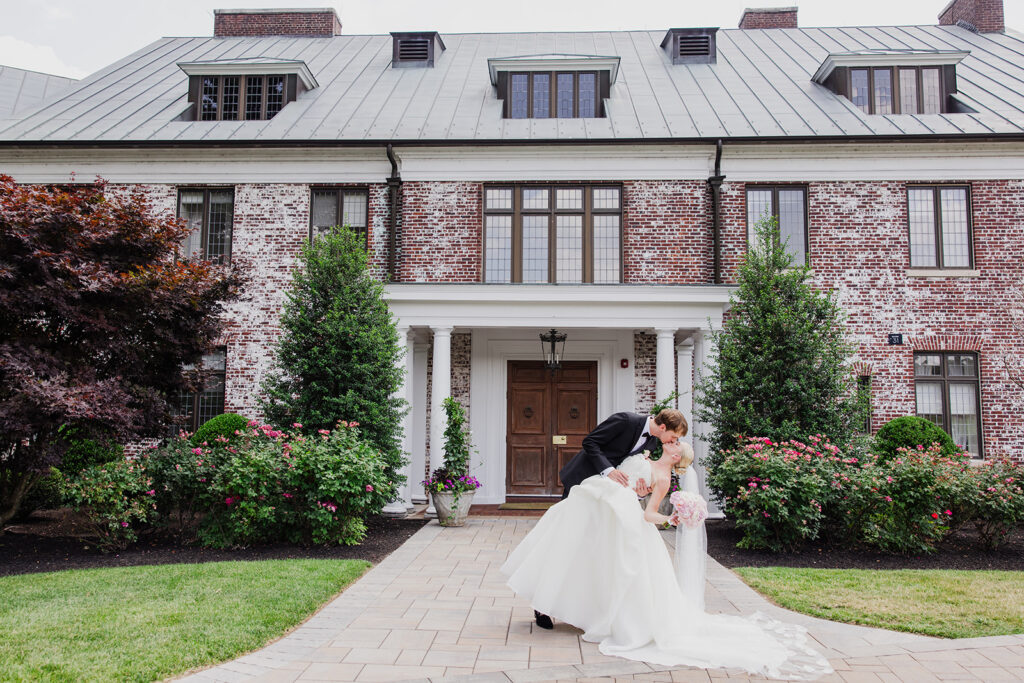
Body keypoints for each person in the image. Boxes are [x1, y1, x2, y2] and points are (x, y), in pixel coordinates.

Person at [501, 416, 833, 680]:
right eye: (672, 438)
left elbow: (645, 505)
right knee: (565, 547)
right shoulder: (637, 437)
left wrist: (661, 510)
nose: (673, 443)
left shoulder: (660, 472)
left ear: (678, 457)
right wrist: (618, 475)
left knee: (594, 562)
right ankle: (545, 602)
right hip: (592, 495)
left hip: (617, 516)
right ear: (662, 428)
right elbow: (596, 447)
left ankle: (576, 607)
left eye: (676, 444)